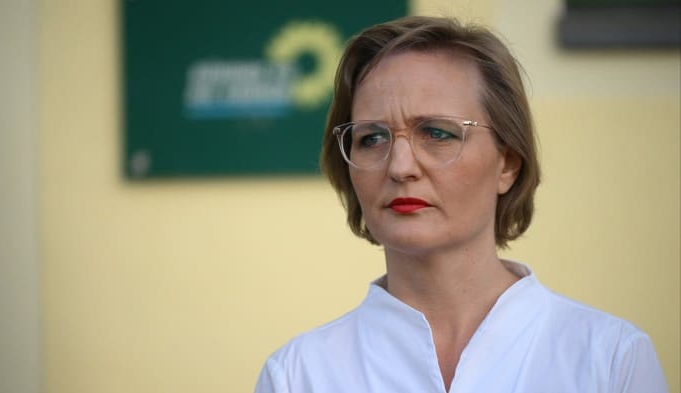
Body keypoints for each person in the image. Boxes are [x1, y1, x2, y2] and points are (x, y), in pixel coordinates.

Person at [254, 15, 668, 393]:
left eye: (436, 133)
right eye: (372, 138)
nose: (400, 167)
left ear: (507, 163)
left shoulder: (611, 361)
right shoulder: (298, 375)